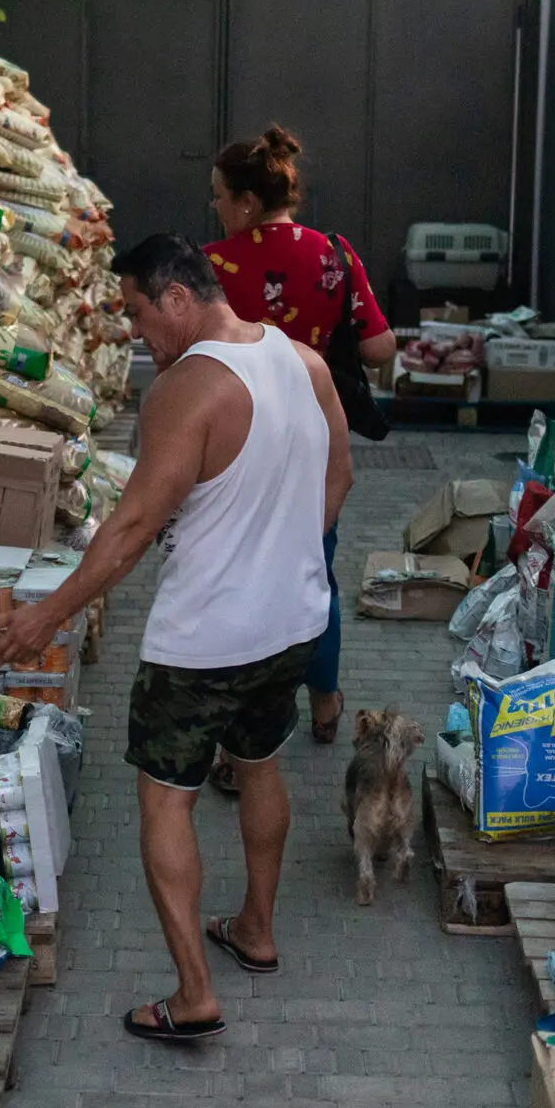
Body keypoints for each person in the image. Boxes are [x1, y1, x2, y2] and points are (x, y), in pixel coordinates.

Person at [0, 233, 351, 1044]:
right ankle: (256, 928)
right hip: (293, 624)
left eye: (138, 314)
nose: (136, 335)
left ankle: (192, 996)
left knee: (165, 798)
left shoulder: (188, 390)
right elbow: (341, 476)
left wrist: (49, 614)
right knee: (260, 764)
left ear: (178, 297)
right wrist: (289, 554)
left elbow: (136, 524)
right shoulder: (304, 363)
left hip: (204, 642)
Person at [201, 125, 395, 756]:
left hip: (235, 436)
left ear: (247, 203)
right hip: (316, 434)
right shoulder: (336, 253)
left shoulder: (211, 267)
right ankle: (325, 700)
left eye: (220, 197)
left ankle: (250, 714)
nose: (216, 209)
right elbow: (378, 346)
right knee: (316, 568)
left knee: (238, 570)